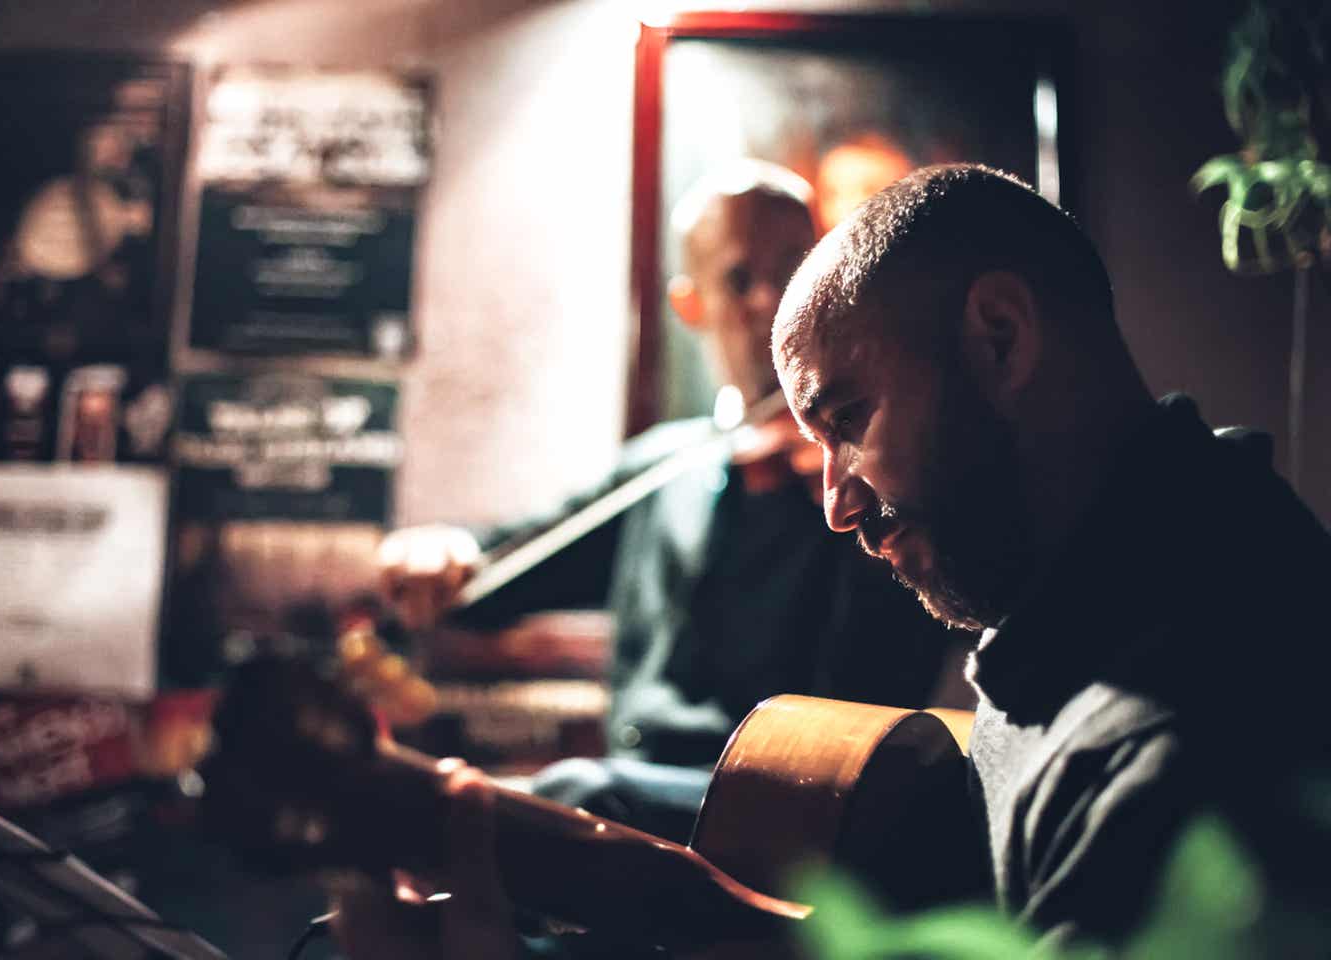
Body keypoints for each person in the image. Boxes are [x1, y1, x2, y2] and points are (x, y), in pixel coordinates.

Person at [334, 163, 1331, 957]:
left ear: (998, 336)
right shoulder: (1071, 624)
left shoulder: (1181, 724)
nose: (836, 501)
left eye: (849, 419)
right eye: (814, 438)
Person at [373, 160, 964, 838]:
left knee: (574, 797)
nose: (770, 298)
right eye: (739, 278)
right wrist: (447, 551)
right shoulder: (667, 465)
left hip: (806, 807)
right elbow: (517, 562)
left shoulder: (875, 468)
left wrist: (864, 501)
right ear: (692, 304)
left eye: (794, 270)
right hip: (648, 797)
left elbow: (906, 660)